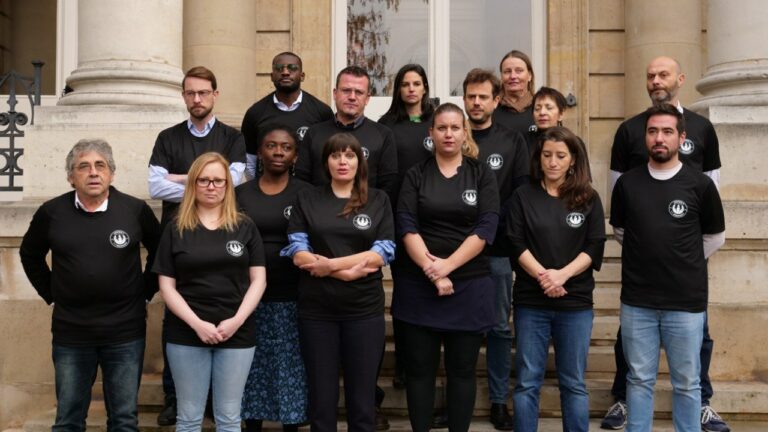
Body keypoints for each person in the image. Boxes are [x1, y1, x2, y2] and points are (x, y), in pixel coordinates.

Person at [602, 56, 727, 432]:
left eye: (667, 132)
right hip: (638, 302)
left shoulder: (699, 184)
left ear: (681, 138)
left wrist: (682, 258)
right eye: (653, 132)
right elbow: (621, 229)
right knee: (638, 381)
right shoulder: (628, 184)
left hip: (685, 304)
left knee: (687, 384)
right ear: (646, 137)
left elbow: (714, 235)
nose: (659, 138)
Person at [19, 139, 161, 432]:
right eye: (83, 166)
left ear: (112, 173)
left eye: (101, 166)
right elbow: (29, 254)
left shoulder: (135, 210)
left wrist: (144, 294)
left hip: (125, 332)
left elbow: (161, 253)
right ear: (71, 176)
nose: (93, 172)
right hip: (72, 333)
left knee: (123, 421)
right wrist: (51, 294)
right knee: (68, 420)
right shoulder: (51, 212)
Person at [392, 103, 500, 432]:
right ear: (431, 134)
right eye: (442, 128)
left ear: (464, 132)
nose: (449, 134)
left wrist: (447, 268)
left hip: (468, 286)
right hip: (418, 287)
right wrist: (431, 269)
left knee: (462, 371)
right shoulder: (415, 174)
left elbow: (486, 227)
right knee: (420, 371)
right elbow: (406, 226)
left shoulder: (481, 173)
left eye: (455, 128)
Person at [148, 65, 246, 424]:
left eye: (203, 92)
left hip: (223, 235)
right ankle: (175, 398)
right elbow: (155, 186)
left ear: (215, 95)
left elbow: (233, 183)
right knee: (175, 316)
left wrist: (181, 176)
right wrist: (203, 180)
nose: (197, 99)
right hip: (178, 235)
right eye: (190, 93)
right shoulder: (168, 137)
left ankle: (212, 402)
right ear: (184, 95)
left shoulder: (232, 138)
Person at [281, 133, 395, 431]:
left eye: (349, 155)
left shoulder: (378, 199)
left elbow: (381, 253)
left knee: (362, 402)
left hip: (364, 312)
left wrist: (331, 265)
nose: (342, 162)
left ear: (360, 161)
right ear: (325, 162)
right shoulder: (307, 198)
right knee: (321, 400)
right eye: (335, 155)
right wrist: (343, 272)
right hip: (317, 311)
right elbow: (297, 252)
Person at [152, 152, 267, 432]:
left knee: (228, 417)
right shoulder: (175, 227)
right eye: (204, 180)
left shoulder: (244, 226)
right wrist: (197, 324)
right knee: (189, 417)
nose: (211, 186)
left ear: (228, 185)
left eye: (218, 180)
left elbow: (259, 280)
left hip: (236, 331)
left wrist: (237, 320)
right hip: (186, 332)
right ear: (193, 184)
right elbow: (166, 286)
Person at [506, 126, 606, 432]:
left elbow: (594, 245)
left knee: (573, 382)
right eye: (547, 155)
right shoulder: (523, 196)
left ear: (573, 159)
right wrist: (543, 276)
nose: (552, 162)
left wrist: (562, 275)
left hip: (575, 302)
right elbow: (515, 242)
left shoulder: (588, 197)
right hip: (531, 301)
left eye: (560, 156)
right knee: (527, 382)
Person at [462, 68, 529, 430]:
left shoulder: (511, 140)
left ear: (496, 100)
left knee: (500, 329)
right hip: (455, 252)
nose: (476, 102)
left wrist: (488, 227)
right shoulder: (452, 135)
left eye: (483, 97)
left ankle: (499, 401)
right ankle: (460, 399)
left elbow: (519, 192)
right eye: (471, 96)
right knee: (458, 328)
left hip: (498, 251)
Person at [236, 124, 312, 431]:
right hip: (248, 298)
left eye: (286, 147)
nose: (278, 152)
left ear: (295, 155)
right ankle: (251, 424)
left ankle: (290, 425)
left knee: (288, 368)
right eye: (271, 146)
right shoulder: (240, 193)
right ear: (260, 152)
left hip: (292, 295)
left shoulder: (306, 193)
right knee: (252, 367)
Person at [295, 66, 398, 197]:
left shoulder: (383, 135)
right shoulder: (314, 133)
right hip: (319, 214)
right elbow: (301, 182)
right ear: (335, 93)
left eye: (359, 92)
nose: (352, 97)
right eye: (346, 90)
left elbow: (388, 187)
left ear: (367, 98)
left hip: (365, 214)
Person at [241, 51, 334, 179]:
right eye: (279, 68)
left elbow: (327, 156)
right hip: (267, 191)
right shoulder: (255, 113)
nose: (285, 72)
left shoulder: (322, 111)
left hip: (308, 191)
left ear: (302, 76)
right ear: (272, 76)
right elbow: (250, 161)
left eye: (292, 68)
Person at [493, 50, 536, 135]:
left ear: (530, 76)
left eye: (519, 71)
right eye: (507, 71)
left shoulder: (540, 108)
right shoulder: (491, 108)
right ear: (501, 76)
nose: (513, 76)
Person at [526, 87, 568, 155]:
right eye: (537, 109)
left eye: (549, 108)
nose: (542, 113)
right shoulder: (523, 141)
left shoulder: (571, 141)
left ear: (561, 114)